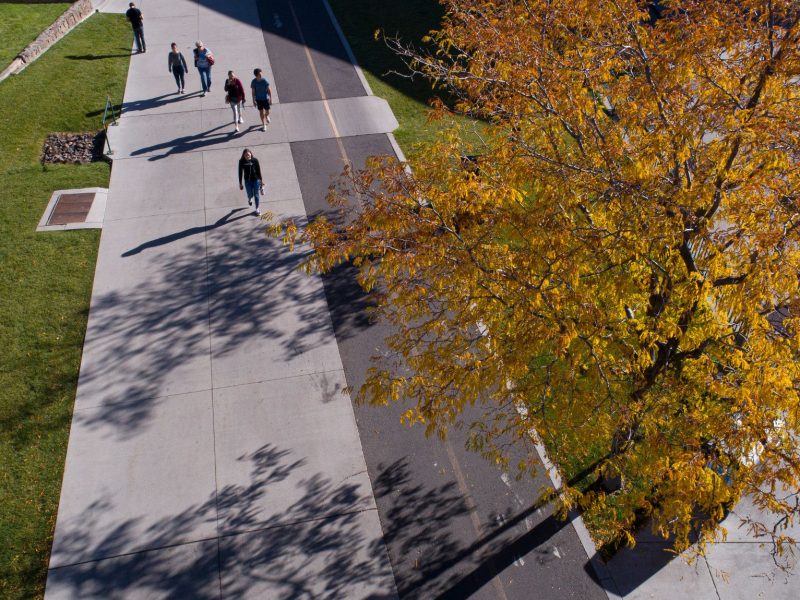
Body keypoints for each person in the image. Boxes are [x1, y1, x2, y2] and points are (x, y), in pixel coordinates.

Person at [238, 149, 264, 216]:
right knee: (250, 194)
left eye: (248, 155)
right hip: (247, 181)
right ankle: (250, 198)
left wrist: (261, 181)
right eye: (246, 155)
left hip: (256, 180)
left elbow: (259, 171)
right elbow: (240, 173)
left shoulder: (255, 160)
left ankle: (257, 208)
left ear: (251, 154)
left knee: (256, 194)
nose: (247, 156)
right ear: (243, 156)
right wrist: (240, 183)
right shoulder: (241, 162)